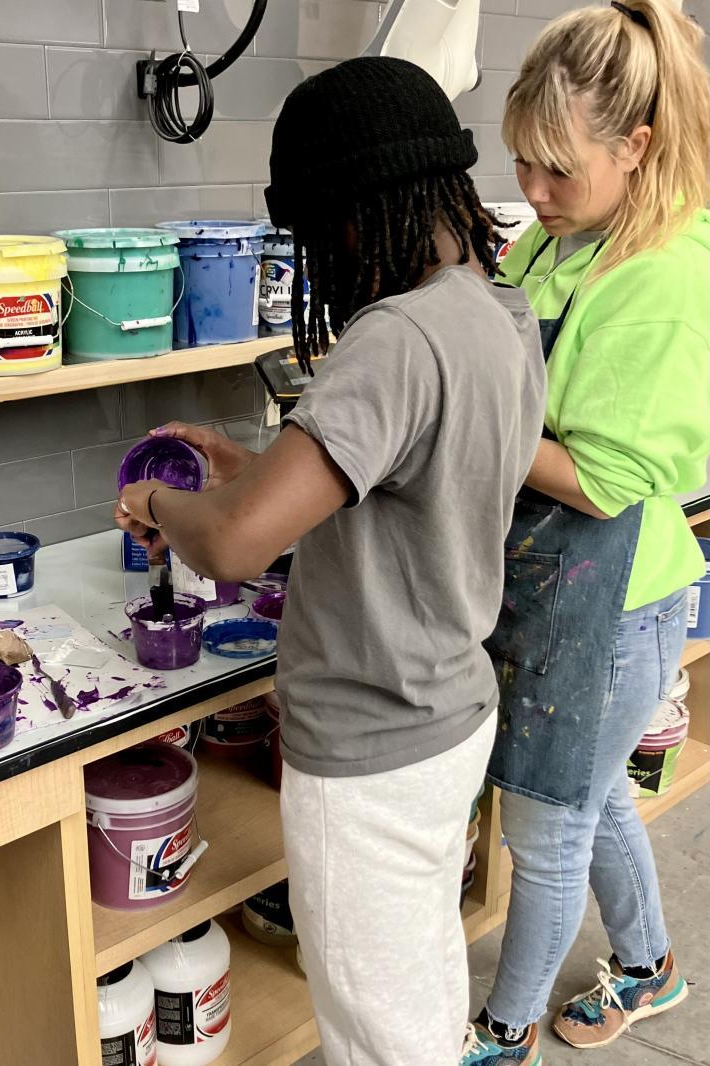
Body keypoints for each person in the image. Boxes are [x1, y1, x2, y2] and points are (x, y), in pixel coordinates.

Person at [116, 57, 545, 1066]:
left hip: (366, 750)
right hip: (448, 716)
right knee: (421, 977)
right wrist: (248, 465)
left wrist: (158, 500)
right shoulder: (496, 313)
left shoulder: (389, 338)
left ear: (348, 216)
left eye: (313, 237)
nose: (318, 261)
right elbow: (399, 489)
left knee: (373, 1033)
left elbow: (230, 544)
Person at [462, 3, 710, 1064]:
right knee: (590, 788)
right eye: (521, 161)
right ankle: (650, 967)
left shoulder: (657, 277)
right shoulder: (559, 239)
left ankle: (501, 1031)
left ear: (635, 148)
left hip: (609, 599)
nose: (532, 192)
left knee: (544, 827)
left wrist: (455, 411)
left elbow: (600, 483)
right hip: (549, 577)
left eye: (556, 169)